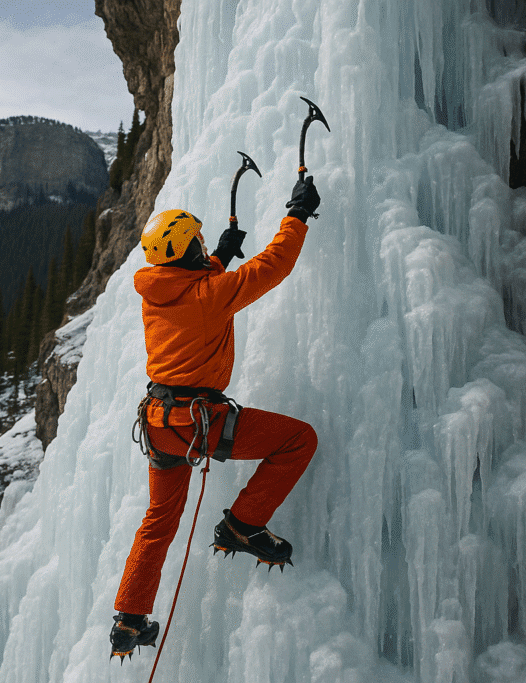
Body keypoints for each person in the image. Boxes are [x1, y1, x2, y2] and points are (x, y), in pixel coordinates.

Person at [109, 176, 322, 661]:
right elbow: (272, 266)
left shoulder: (153, 294)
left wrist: (220, 255)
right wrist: (297, 215)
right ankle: (243, 524)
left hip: (159, 424)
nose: (205, 246)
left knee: (158, 520)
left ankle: (129, 617)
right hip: (197, 421)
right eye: (199, 244)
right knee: (298, 440)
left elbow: (192, 289)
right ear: (188, 252)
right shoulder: (212, 294)